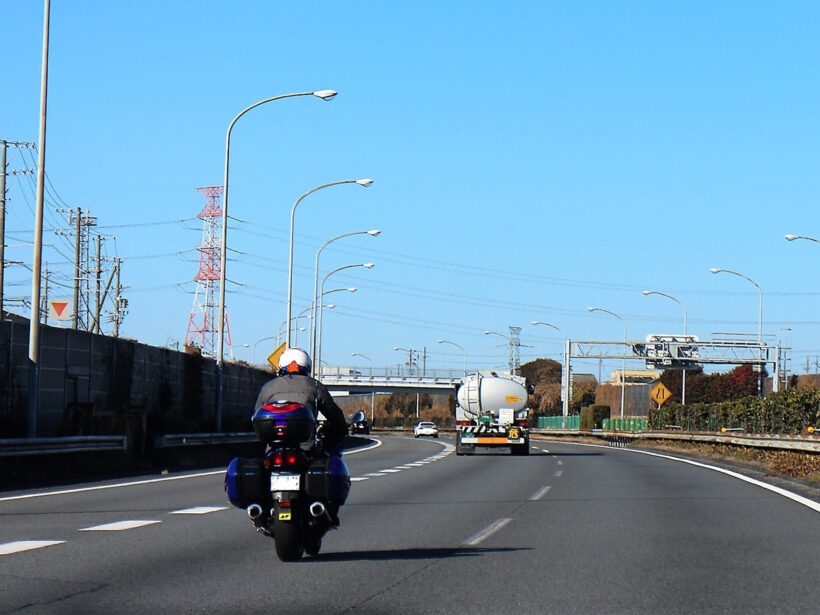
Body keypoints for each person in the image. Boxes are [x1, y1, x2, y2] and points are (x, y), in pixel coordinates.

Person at [254, 347, 348, 453]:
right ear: (307, 365)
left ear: (281, 365)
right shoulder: (315, 386)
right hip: (306, 449)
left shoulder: (268, 387)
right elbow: (334, 414)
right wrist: (341, 431)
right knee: (330, 462)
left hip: (272, 449)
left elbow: (256, 415)